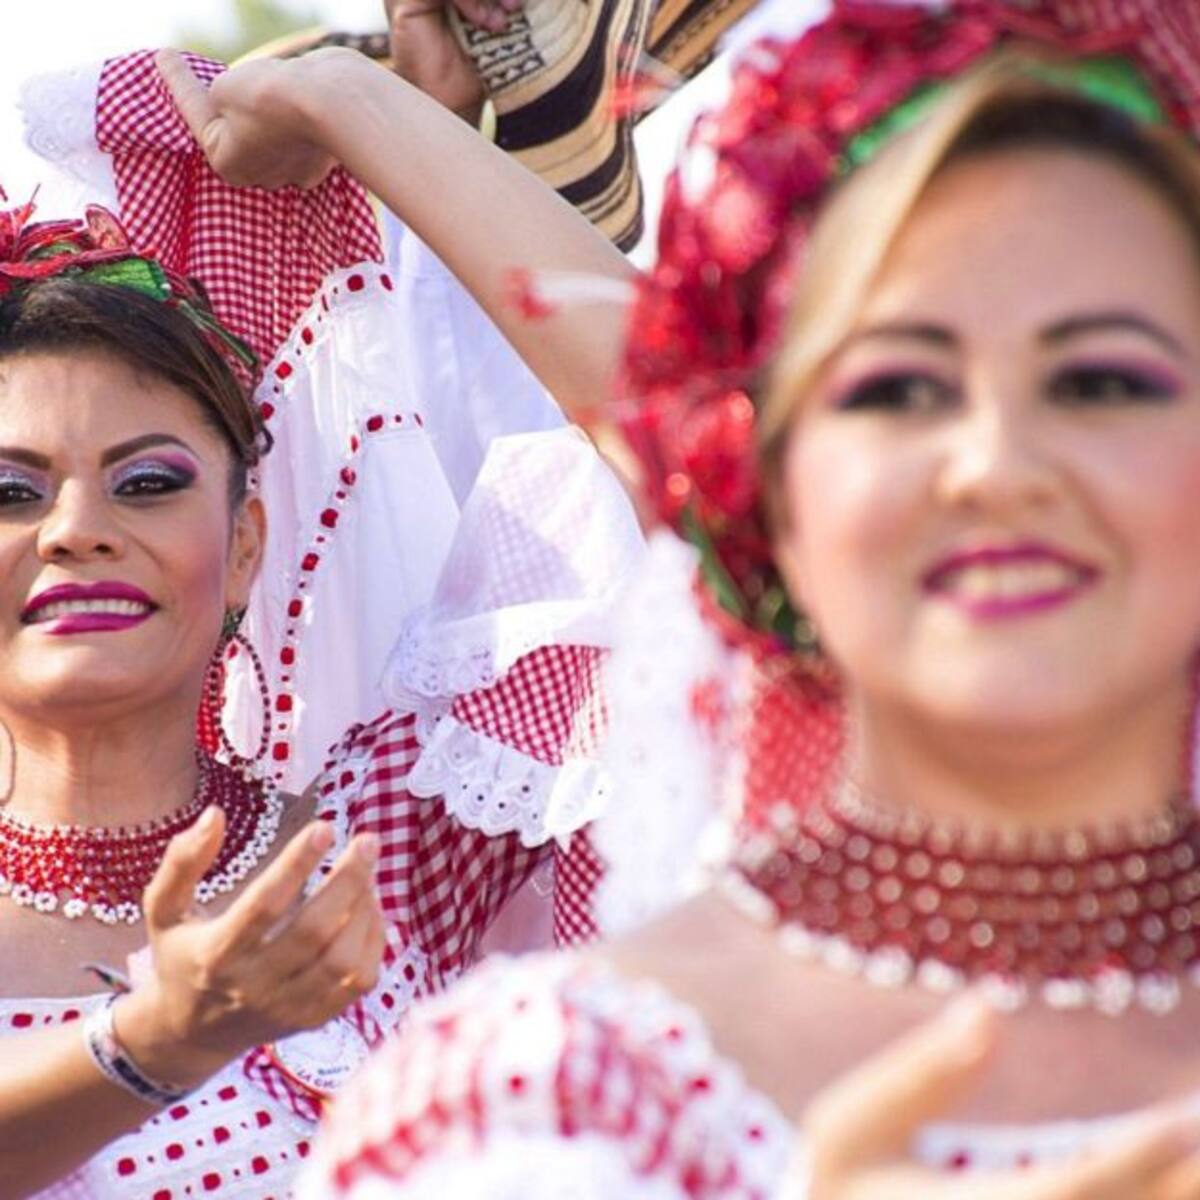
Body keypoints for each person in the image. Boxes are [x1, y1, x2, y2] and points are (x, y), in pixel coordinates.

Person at [150, 0, 1200, 1195]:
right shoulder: (539, 1095)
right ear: (750, 475)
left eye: (1105, 381)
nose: (999, 466)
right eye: (899, 390)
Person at [0, 51, 641, 1200]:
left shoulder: (375, 849)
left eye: (148, 483)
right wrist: (151, 1044)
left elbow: (695, 440)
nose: (75, 529)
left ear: (245, 542)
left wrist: (348, 100)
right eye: (11, 491)